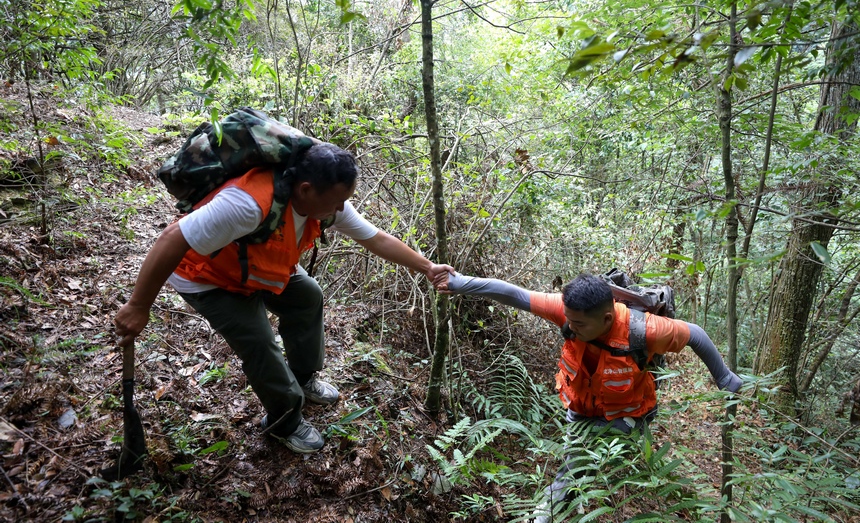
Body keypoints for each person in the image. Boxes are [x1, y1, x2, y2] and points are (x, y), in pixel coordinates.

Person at [114, 142, 454, 454]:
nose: (342, 208)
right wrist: (138, 306)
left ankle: (303, 377)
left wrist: (427, 267)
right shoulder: (247, 204)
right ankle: (284, 421)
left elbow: (376, 238)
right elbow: (172, 238)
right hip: (207, 277)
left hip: (257, 267)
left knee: (307, 295)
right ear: (306, 190)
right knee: (260, 342)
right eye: (337, 200)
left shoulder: (324, 202)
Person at [437, 271, 742, 521]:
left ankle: (544, 514)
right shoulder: (570, 313)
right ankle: (572, 498)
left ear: (607, 319)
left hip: (628, 416)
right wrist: (460, 283)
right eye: (568, 320)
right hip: (581, 409)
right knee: (576, 459)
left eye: (579, 324)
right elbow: (514, 294)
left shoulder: (646, 330)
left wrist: (725, 377)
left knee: (574, 462)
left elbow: (696, 335)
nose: (569, 326)